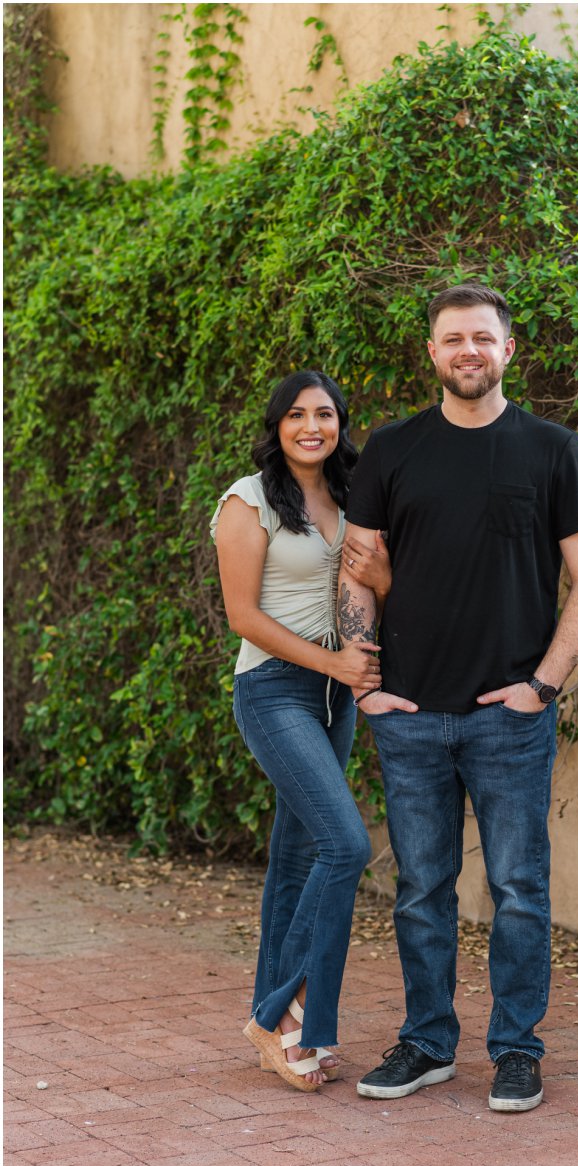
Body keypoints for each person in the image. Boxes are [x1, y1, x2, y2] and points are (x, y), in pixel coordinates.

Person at [337, 283, 578, 1113]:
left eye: (483, 338)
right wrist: (367, 681)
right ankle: (427, 1042)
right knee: (422, 887)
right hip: (411, 716)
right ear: (431, 351)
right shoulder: (391, 451)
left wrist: (542, 684)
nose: (468, 350)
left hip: (510, 718)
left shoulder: (553, 450)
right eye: (453, 337)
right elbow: (358, 569)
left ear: (508, 350)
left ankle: (517, 1050)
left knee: (519, 888)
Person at [212, 370, 400, 1092]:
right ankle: (278, 1012)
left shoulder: (353, 493)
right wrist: (333, 662)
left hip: (335, 698)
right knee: (346, 843)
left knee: (296, 858)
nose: (311, 426)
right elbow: (243, 616)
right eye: (296, 415)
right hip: (273, 690)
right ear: (277, 424)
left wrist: (381, 583)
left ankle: (285, 1028)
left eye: (324, 413)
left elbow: (374, 582)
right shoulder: (248, 499)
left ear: (340, 421)